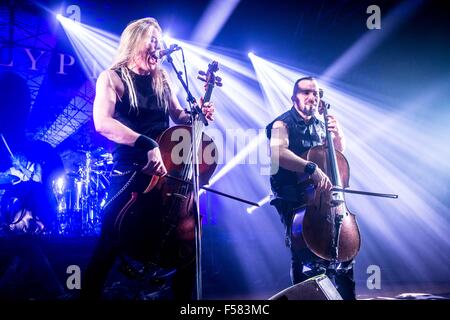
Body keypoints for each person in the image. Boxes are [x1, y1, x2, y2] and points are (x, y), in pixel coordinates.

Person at [81, 17, 214, 300]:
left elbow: (180, 116)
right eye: (153, 40)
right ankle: (88, 295)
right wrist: (146, 142)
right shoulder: (113, 77)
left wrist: (200, 109)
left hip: (165, 171)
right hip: (131, 167)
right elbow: (102, 123)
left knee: (191, 243)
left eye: (160, 41)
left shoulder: (162, 79)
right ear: (135, 41)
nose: (159, 46)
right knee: (111, 236)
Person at [266, 76, 356, 300]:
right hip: (294, 198)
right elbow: (278, 153)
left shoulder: (321, 123)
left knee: (345, 261)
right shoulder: (282, 124)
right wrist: (311, 168)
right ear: (294, 97)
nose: (312, 97)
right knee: (305, 256)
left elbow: (338, 155)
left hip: (325, 201)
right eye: (306, 92)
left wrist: (338, 135)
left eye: (315, 93)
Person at [0, 70, 65, 299]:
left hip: (30, 236)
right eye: (10, 103)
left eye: (21, 103)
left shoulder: (43, 151)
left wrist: (38, 221)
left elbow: (51, 202)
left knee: (27, 246)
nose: (18, 111)